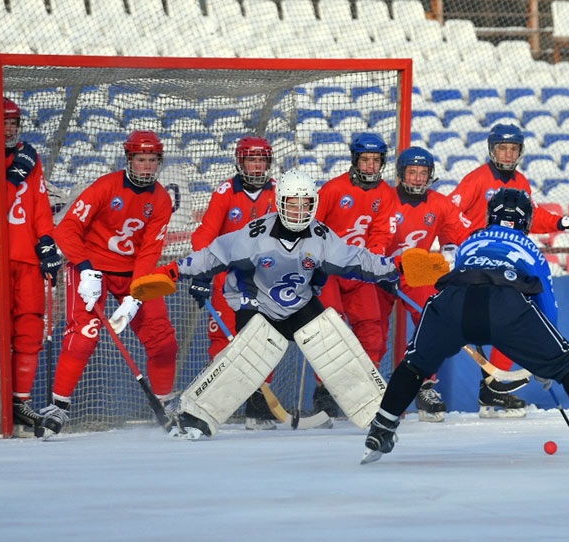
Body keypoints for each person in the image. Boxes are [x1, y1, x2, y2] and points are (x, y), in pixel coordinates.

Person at [362, 188, 569, 464]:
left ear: (490, 216)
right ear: (526, 221)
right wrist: (547, 359)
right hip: (506, 303)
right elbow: (547, 306)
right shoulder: (530, 249)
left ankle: (381, 429)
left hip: (452, 301)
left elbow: (467, 278)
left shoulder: (470, 241)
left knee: (414, 364)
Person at [150, 169, 400, 439]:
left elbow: (357, 259)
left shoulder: (320, 236)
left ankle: (379, 411)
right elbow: (214, 254)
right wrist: (173, 272)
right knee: (247, 357)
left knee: (333, 340)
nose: (299, 211)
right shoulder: (255, 236)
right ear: (280, 202)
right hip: (256, 303)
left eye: (305, 204)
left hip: (299, 302)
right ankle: (194, 415)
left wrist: (396, 267)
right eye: (293, 203)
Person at [449, 123, 569, 418]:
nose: (507, 153)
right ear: (491, 150)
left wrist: (564, 223)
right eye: (502, 148)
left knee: (511, 323)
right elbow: (450, 213)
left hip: (509, 265)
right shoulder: (476, 180)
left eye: (513, 149)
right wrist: (465, 242)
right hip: (480, 264)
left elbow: (533, 216)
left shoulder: (521, 182)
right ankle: (481, 389)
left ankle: (492, 390)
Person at [40, 130, 178, 437]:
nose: (146, 167)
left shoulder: (161, 199)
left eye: (152, 160)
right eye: (141, 159)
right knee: (85, 334)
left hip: (133, 273)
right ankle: (59, 408)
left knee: (163, 339)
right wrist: (87, 269)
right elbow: (66, 230)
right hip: (92, 269)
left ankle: (164, 404)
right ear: (129, 159)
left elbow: (150, 250)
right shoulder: (106, 186)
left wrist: (137, 294)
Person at [0, 97, 61, 436]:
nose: (7, 129)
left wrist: (47, 244)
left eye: (12, 123)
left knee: (30, 329)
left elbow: (38, 204)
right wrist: (18, 167)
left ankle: (20, 403)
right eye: (1, 123)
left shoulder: (29, 158)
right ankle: (0, 403)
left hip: (26, 257)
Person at [377, 146, 470, 422]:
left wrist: (451, 253)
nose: (418, 178)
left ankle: (424, 385)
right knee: (372, 329)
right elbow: (373, 238)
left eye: (423, 173)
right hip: (378, 271)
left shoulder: (440, 204)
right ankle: (370, 390)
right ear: (401, 173)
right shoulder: (384, 199)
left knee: (432, 317)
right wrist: (380, 266)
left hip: (416, 272)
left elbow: (457, 235)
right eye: (412, 172)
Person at [191, 135, 277, 430]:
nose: (257, 166)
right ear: (240, 162)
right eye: (251, 160)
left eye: (262, 160)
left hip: (266, 279)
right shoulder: (225, 192)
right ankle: (213, 401)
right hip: (229, 279)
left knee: (267, 338)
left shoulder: (278, 191)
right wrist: (202, 271)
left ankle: (257, 400)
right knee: (224, 341)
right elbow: (205, 235)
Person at [313, 132, 396, 418]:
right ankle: (325, 391)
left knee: (372, 330)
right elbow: (312, 227)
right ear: (355, 160)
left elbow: (381, 232)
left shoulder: (385, 193)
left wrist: (371, 259)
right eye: (365, 160)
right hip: (329, 270)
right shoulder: (333, 189)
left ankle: (363, 389)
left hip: (359, 270)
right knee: (330, 328)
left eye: (376, 160)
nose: (371, 166)